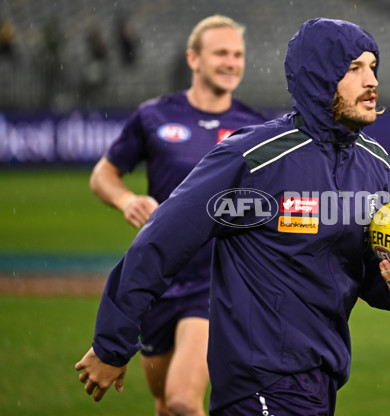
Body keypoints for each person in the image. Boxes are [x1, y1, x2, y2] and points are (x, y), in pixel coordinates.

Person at [76, 17, 390, 415]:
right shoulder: (252, 157)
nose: (371, 81)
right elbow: (160, 243)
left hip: (323, 375)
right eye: (354, 68)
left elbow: (365, 269)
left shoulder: (374, 164)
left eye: (372, 66)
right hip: (260, 378)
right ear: (318, 75)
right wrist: (113, 342)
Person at [84, 15, 265, 416]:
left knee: (185, 400)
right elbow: (103, 174)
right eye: (221, 52)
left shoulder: (255, 128)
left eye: (238, 54)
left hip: (213, 282)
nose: (232, 62)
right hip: (157, 282)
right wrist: (126, 200)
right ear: (193, 59)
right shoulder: (154, 116)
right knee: (165, 404)